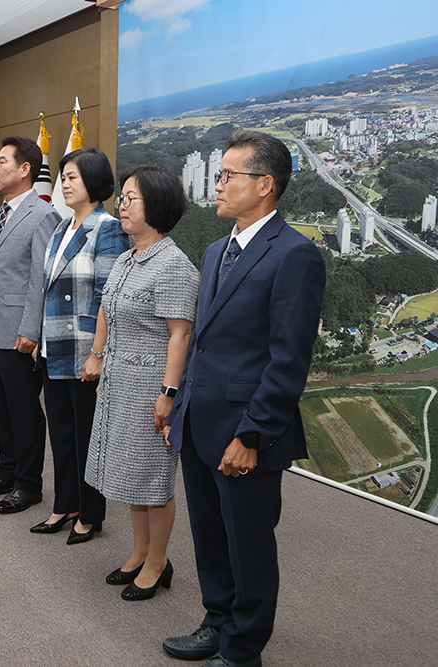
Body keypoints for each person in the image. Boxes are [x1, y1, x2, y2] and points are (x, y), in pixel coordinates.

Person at [162, 130, 326, 667]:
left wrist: (252, 434)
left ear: (265, 185)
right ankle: (217, 622)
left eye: (228, 175)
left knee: (248, 547)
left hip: (245, 433)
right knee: (210, 539)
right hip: (199, 421)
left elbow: (287, 360)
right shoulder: (215, 251)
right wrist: (180, 406)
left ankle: (242, 650)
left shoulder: (296, 255)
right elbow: (204, 342)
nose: (218, 184)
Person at [84, 166, 198, 599]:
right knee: (131, 474)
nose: (122, 206)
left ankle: (158, 561)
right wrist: (99, 360)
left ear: (158, 206)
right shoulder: (127, 258)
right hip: (119, 383)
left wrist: (169, 393)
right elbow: (107, 310)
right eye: (123, 197)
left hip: (152, 385)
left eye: (132, 198)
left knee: (152, 478)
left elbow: (180, 334)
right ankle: (138, 552)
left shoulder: (173, 265)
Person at [30, 148, 126, 544]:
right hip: (56, 347)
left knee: (88, 436)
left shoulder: (108, 228)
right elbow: (47, 290)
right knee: (63, 433)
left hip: (86, 349)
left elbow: (108, 296)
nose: (64, 184)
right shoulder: (60, 228)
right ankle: (64, 504)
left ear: (94, 182)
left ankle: (90, 513)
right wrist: (39, 338)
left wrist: (97, 354)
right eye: (63, 178)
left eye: (72, 177)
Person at [0, 136, 61, 514]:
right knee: (1, 408)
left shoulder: (43, 215)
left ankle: (29, 485)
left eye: (2, 161)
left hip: (19, 331)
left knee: (23, 410)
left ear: (25, 169)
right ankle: (5, 472)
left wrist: (30, 330)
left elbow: (40, 279)